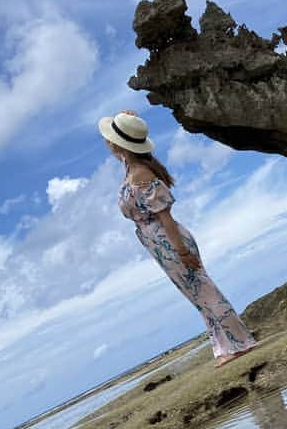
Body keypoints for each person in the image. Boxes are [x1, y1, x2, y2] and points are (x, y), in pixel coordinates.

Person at [100, 110, 258, 367]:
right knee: (197, 295)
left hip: (168, 239)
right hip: (158, 243)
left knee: (204, 291)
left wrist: (182, 251)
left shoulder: (141, 173)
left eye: (111, 139)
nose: (107, 142)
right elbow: (122, 152)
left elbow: (165, 218)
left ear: (119, 144)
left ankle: (240, 343)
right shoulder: (131, 166)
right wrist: (129, 121)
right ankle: (225, 346)